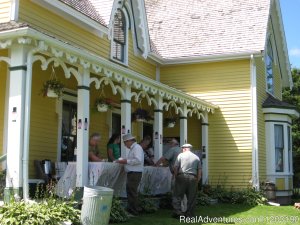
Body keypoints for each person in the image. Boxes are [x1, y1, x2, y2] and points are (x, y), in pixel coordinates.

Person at [116, 133, 144, 215]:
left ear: (129, 141)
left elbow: (138, 160)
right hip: (133, 172)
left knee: (132, 191)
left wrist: (125, 161)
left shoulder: (137, 148)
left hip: (135, 172)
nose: (125, 145)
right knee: (131, 191)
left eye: (125, 143)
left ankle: (134, 210)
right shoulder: (134, 148)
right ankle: (133, 208)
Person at [173, 143, 201, 218]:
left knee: (178, 195)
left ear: (185, 148)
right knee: (191, 197)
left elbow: (176, 167)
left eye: (182, 148)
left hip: (181, 176)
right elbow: (199, 171)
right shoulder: (196, 157)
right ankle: (190, 214)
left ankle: (178, 213)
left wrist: (176, 177)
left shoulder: (180, 155)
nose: (182, 150)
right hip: (193, 178)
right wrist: (197, 180)